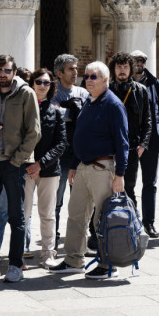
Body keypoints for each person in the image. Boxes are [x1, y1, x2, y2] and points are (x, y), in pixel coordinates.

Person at [49, 61, 129, 279]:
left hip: (103, 168)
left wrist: (120, 174)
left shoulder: (113, 105)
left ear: (105, 80)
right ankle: (73, 260)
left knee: (102, 218)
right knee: (75, 215)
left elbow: (123, 142)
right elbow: (81, 136)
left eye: (94, 76)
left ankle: (107, 263)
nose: (88, 80)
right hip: (84, 167)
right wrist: (75, 164)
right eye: (87, 76)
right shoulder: (90, 102)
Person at [0, 55, 40, 284]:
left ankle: (14, 265)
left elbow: (34, 131)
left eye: (7, 70)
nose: (3, 74)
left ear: (15, 72)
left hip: (13, 163)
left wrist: (18, 160)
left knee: (16, 216)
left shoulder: (26, 93)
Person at [24, 69, 67, 269]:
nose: (42, 85)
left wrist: (40, 164)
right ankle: (19, 251)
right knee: (22, 213)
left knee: (48, 213)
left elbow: (61, 143)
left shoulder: (57, 111)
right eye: (39, 82)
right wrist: (27, 164)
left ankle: (49, 253)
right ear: (32, 83)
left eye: (47, 83)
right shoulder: (23, 108)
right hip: (24, 169)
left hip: (48, 170)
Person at [129, 50, 159, 238]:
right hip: (130, 141)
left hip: (151, 140)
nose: (139, 64)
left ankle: (149, 223)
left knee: (149, 183)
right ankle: (132, 220)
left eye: (142, 61)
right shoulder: (123, 84)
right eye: (136, 61)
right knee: (128, 183)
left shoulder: (154, 82)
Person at [51, 54, 90, 243]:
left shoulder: (82, 93)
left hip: (79, 152)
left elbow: (88, 116)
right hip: (60, 153)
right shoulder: (53, 92)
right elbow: (52, 116)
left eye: (76, 68)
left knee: (80, 201)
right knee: (56, 200)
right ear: (59, 73)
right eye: (70, 69)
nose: (75, 72)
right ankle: (53, 237)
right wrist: (69, 111)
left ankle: (78, 238)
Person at [108, 53, 151, 213]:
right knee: (105, 189)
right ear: (113, 69)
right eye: (119, 67)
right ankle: (102, 228)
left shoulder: (141, 90)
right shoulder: (107, 90)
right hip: (109, 147)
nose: (122, 70)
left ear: (131, 69)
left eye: (125, 67)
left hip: (132, 147)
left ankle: (131, 225)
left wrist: (143, 144)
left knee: (129, 188)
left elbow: (147, 119)